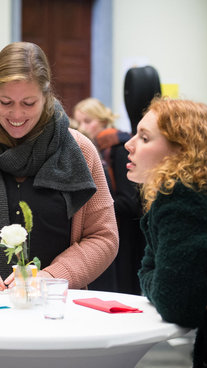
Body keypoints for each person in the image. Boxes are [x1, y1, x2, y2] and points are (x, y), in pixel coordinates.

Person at [0, 41, 118, 293]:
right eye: (6, 102)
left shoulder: (79, 150)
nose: (17, 115)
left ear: (46, 97)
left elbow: (103, 237)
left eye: (29, 103)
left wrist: (52, 277)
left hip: (51, 307)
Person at [125, 98, 207, 368]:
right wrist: (184, 288)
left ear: (181, 152)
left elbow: (176, 306)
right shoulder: (197, 192)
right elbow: (150, 270)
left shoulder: (182, 198)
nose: (129, 144)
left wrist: (180, 289)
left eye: (145, 138)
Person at [74, 98, 145, 294]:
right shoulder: (95, 148)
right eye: (79, 122)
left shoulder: (119, 147)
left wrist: (95, 208)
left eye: (88, 121)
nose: (83, 127)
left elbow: (129, 200)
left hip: (125, 234)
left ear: (103, 121)